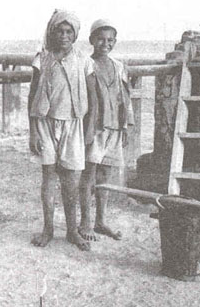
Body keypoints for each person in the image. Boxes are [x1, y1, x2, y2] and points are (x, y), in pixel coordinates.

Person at [28, 9, 97, 251]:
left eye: (69, 32)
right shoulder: (42, 59)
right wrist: (33, 131)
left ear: (75, 35)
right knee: (48, 177)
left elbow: (93, 99)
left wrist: (90, 129)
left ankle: (72, 230)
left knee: (71, 181)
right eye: (60, 31)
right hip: (45, 123)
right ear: (52, 32)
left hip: (73, 125)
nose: (64, 36)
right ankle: (48, 229)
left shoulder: (84, 61)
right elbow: (32, 95)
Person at [79, 19, 134, 241]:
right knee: (88, 175)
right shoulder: (86, 65)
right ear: (92, 40)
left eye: (110, 40)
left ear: (115, 42)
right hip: (95, 128)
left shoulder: (119, 67)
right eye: (100, 39)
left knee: (105, 175)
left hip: (115, 127)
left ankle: (100, 221)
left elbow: (125, 98)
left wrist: (127, 126)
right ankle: (85, 222)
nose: (105, 44)